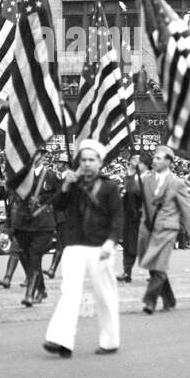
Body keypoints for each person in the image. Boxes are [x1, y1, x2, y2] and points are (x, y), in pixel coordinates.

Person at [41, 139, 123, 358]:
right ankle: (61, 340)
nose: (87, 164)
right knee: (69, 292)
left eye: (91, 160)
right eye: (83, 160)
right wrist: (65, 187)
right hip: (74, 244)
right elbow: (57, 206)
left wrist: (110, 242)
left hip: (100, 247)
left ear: (100, 162)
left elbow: (117, 219)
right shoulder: (72, 184)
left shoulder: (109, 187)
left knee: (104, 294)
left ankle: (109, 340)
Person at [138, 143, 190, 313]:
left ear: (168, 161)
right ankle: (169, 300)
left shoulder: (177, 183)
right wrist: (130, 172)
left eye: (158, 158)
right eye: (154, 158)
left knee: (160, 265)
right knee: (153, 266)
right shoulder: (146, 179)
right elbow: (132, 191)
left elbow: (187, 208)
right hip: (149, 228)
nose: (154, 161)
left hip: (167, 228)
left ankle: (149, 301)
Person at [8, 147, 59, 307]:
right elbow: (14, 196)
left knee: (34, 256)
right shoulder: (22, 175)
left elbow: (59, 196)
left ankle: (29, 294)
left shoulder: (50, 176)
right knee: (28, 258)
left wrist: (42, 200)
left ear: (43, 156)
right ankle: (41, 289)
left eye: (38, 153)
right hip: (23, 223)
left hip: (43, 224)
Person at [116, 151, 145, 283]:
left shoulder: (147, 177)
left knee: (148, 246)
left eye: (137, 160)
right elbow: (129, 190)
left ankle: (154, 273)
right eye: (133, 159)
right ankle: (127, 272)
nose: (134, 162)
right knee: (129, 246)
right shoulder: (130, 176)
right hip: (130, 216)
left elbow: (136, 191)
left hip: (144, 216)